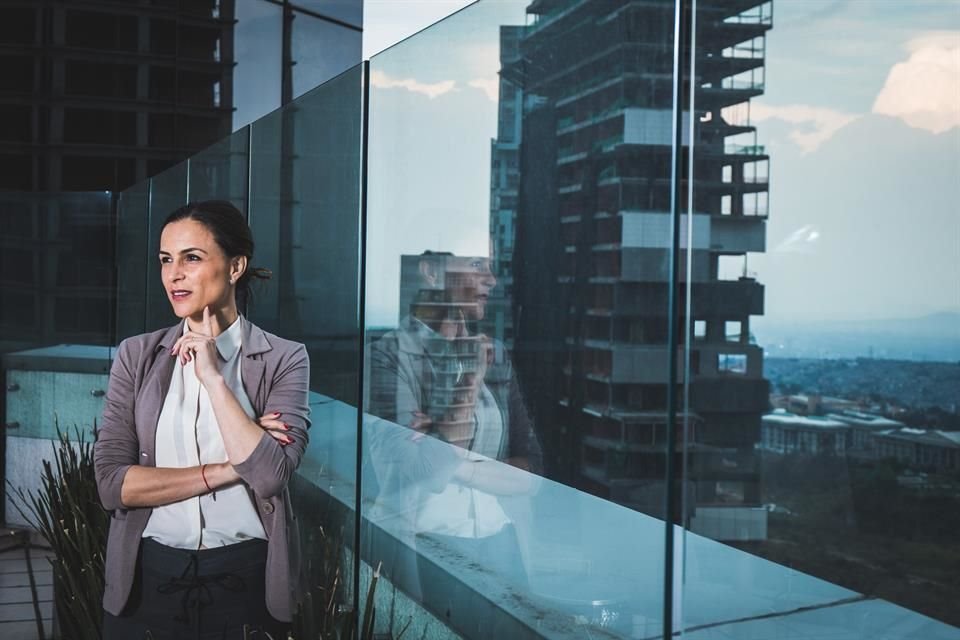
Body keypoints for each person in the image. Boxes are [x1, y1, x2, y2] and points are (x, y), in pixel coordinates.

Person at [94, 200, 310, 639]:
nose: (173, 274)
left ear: (235, 267)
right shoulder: (136, 356)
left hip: (245, 579)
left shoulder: (286, 358)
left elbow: (269, 477)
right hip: (147, 578)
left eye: (191, 258)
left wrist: (213, 379)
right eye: (165, 260)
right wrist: (232, 468)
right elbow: (113, 485)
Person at [364, 251, 541, 625]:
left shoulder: (495, 353)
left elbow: (533, 472)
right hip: (429, 549)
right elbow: (422, 470)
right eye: (477, 266)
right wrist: (471, 381)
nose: (491, 280)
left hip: (502, 546)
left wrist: (450, 455)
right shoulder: (387, 356)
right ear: (431, 273)